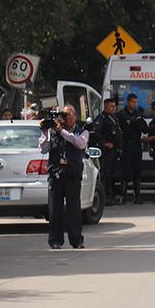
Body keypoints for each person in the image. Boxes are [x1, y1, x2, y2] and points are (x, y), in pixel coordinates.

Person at [39, 105, 89, 249]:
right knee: (55, 210)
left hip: (72, 174)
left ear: (75, 115)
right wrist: (46, 131)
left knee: (74, 209)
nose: (66, 117)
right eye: (64, 115)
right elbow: (43, 149)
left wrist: (62, 131)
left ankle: (77, 240)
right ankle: (55, 241)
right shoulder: (53, 132)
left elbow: (80, 144)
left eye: (69, 114)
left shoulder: (82, 131)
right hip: (56, 174)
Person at [116, 93, 148, 204]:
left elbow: (145, 130)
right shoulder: (121, 114)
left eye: (136, 102)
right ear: (128, 102)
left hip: (136, 145)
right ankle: (123, 196)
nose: (135, 104)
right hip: (126, 145)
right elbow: (117, 130)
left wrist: (139, 121)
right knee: (125, 171)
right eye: (133, 102)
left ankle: (137, 196)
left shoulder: (138, 114)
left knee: (137, 171)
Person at [91, 98, 122, 206]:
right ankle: (106, 197)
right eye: (111, 106)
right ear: (106, 107)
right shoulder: (101, 118)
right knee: (106, 174)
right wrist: (104, 143)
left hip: (115, 151)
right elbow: (96, 132)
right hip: (106, 151)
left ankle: (112, 196)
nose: (114, 108)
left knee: (113, 174)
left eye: (115, 106)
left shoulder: (113, 118)